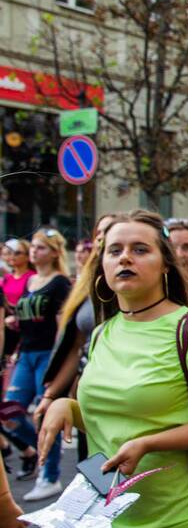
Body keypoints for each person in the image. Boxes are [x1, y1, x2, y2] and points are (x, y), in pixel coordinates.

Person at [38, 210, 188, 528]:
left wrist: (148, 443)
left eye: (139, 249)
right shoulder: (103, 333)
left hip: (173, 527)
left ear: (165, 264)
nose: (124, 257)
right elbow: (112, 420)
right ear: (101, 266)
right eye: (114, 250)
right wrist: (67, 408)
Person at [37, 214, 117, 463]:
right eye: (100, 233)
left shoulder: (139, 289)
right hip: (88, 390)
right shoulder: (86, 286)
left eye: (111, 232)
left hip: (123, 390)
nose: (104, 238)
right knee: (92, 466)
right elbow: (74, 347)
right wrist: (51, 394)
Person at [4, 228, 71, 501]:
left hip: (47, 354)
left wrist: (60, 365)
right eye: (32, 246)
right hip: (25, 355)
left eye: (41, 247)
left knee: (45, 415)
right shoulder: (30, 282)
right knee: (9, 412)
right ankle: (46, 450)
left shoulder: (59, 284)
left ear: (55, 252)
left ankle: (50, 476)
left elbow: (63, 328)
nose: (34, 251)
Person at [0, 239, 34, 476]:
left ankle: (34, 449)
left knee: (8, 408)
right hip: (12, 339)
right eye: (8, 253)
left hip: (19, 343)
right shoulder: (6, 279)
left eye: (17, 253)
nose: (11, 257)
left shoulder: (30, 278)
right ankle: (16, 449)